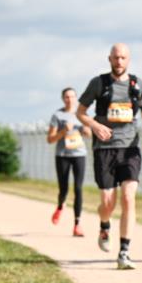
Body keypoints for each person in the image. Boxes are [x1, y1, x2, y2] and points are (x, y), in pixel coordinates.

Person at [76, 43, 142, 270]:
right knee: (107, 203)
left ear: (128, 59)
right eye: (115, 58)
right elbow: (80, 112)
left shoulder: (137, 84)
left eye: (123, 58)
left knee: (129, 197)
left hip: (130, 147)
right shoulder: (98, 83)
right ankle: (104, 225)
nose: (119, 62)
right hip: (104, 149)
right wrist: (94, 125)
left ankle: (124, 251)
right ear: (109, 59)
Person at [48, 87, 90, 236]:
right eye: (66, 97)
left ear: (76, 98)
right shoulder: (57, 115)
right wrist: (63, 131)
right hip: (62, 155)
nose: (69, 99)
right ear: (62, 98)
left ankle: (77, 224)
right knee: (63, 189)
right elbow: (50, 139)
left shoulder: (81, 114)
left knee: (78, 189)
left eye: (72, 96)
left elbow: (90, 133)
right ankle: (60, 205)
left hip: (79, 154)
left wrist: (86, 131)